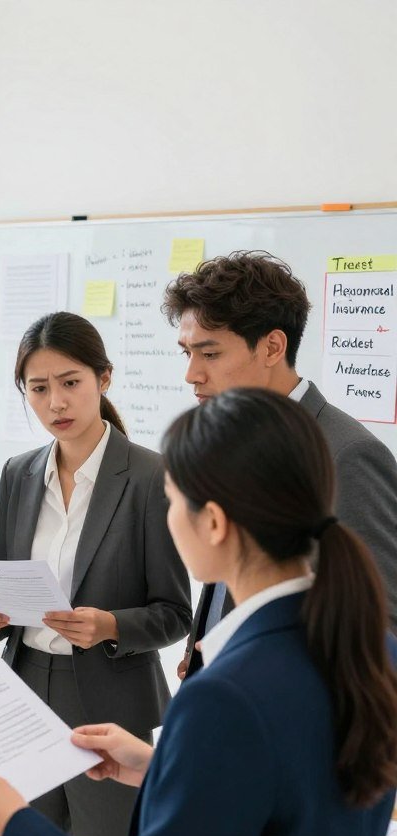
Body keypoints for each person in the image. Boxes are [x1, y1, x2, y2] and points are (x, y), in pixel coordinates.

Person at [0, 387, 397, 836]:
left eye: (173, 503)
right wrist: (162, 762)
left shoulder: (224, 696)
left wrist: (14, 827)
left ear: (213, 523)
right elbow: (288, 804)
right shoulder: (369, 646)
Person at [0, 312, 191, 836]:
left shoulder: (149, 474)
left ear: (103, 380)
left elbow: (176, 612)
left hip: (112, 709)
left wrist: (109, 626)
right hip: (26, 690)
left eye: (70, 383)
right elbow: (9, 582)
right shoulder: (18, 473)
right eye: (38, 388)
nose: (56, 402)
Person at [165, 250, 397, 678]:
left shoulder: (348, 455)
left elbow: (382, 634)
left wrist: (257, 676)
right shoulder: (231, 440)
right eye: (187, 354)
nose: (192, 374)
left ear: (273, 346)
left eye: (210, 354)